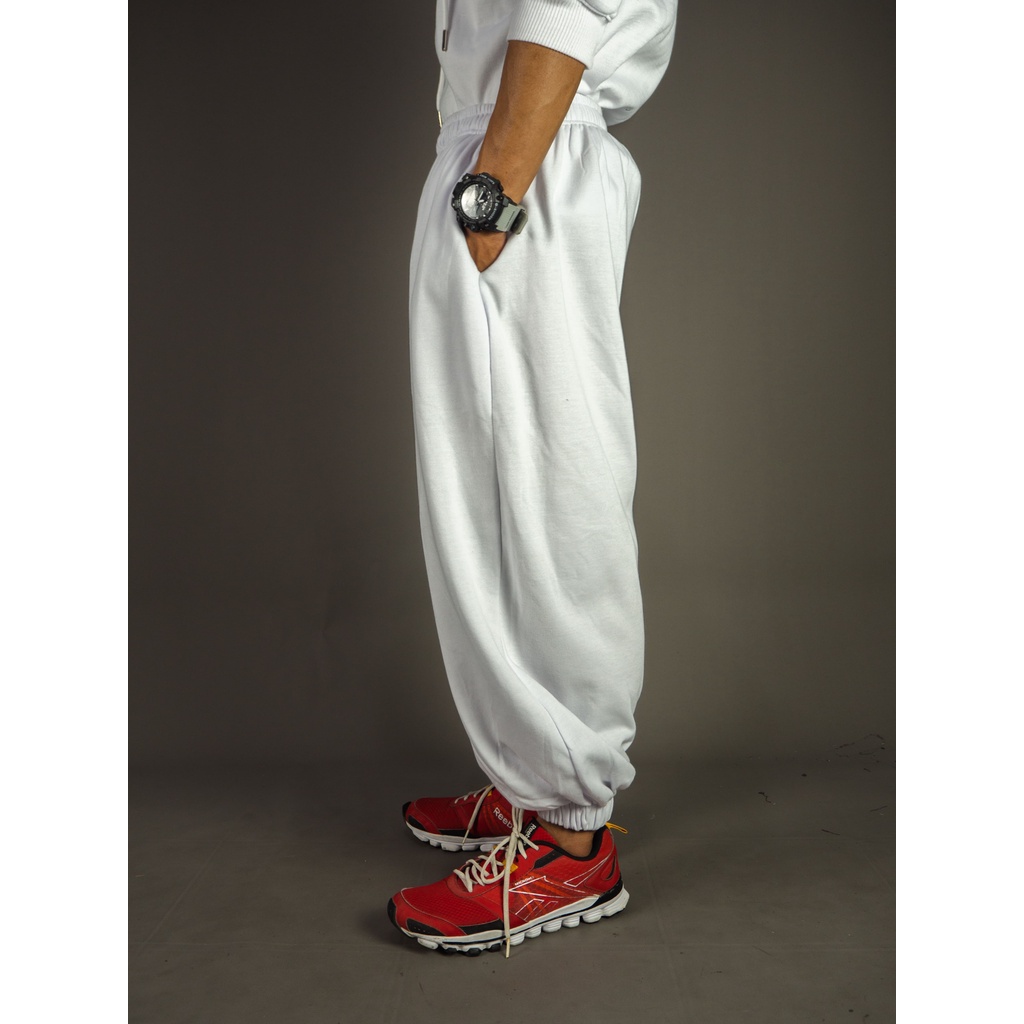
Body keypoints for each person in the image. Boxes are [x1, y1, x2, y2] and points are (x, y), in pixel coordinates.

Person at [387, 0, 678, 957]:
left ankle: (570, 835)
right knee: (487, 494)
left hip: (525, 156)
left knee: (554, 493)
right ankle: (530, 773)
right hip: (511, 149)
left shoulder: (507, 182)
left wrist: (494, 191)